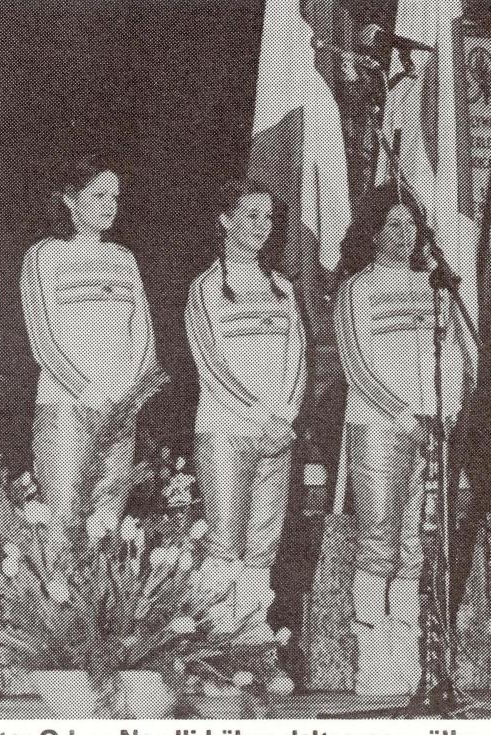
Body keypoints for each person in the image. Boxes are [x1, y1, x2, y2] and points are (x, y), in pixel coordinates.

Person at [334, 184, 475, 697]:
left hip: (430, 428)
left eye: (410, 225)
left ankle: (410, 652)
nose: (403, 234)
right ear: (373, 234)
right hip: (378, 427)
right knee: (378, 541)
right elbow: (357, 365)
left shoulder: (434, 289)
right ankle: (372, 656)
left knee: (416, 545)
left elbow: (456, 355)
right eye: (392, 225)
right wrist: (403, 413)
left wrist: (446, 411)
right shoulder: (355, 290)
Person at [185, 180, 307, 643]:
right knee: (224, 544)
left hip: (277, 430)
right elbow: (210, 360)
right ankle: (216, 645)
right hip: (226, 429)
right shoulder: (207, 287)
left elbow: (298, 357)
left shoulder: (282, 288)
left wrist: (285, 416)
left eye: (269, 217)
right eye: (251, 216)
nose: (262, 226)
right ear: (226, 220)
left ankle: (253, 643)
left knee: (263, 546)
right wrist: (259, 415)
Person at [21, 155, 157, 540]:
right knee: (64, 530)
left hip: (120, 408)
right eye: (99, 196)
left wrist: (128, 395)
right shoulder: (45, 255)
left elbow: (143, 335)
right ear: (69, 199)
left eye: (114, 198)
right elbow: (43, 338)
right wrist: (90, 391)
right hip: (67, 406)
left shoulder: (123, 258)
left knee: (106, 531)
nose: (110, 206)